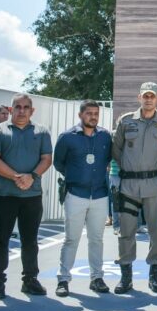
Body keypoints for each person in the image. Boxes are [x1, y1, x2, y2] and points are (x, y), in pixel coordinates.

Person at [111, 82, 157, 294]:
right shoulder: (126, 120)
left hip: (154, 184)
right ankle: (126, 277)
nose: (148, 99)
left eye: (152, 96)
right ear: (139, 97)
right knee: (126, 230)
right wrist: (128, 168)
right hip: (129, 185)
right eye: (145, 96)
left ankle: (155, 275)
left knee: (156, 230)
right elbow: (116, 149)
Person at [0, 93, 54, 299]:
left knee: (30, 240)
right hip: (5, 195)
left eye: (26, 107)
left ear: (32, 111)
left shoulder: (42, 132)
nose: (22, 110)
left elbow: (47, 158)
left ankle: (30, 280)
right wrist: (17, 177)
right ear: (11, 109)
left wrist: (32, 176)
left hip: (32, 195)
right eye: (18, 107)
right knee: (1, 240)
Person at [53, 100, 113, 296]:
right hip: (75, 194)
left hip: (100, 195)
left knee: (97, 239)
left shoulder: (105, 136)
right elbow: (58, 163)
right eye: (89, 113)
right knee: (71, 239)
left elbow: (109, 159)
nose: (93, 116)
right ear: (80, 115)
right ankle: (63, 279)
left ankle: (96, 278)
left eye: (96, 113)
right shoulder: (67, 137)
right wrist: (76, 176)